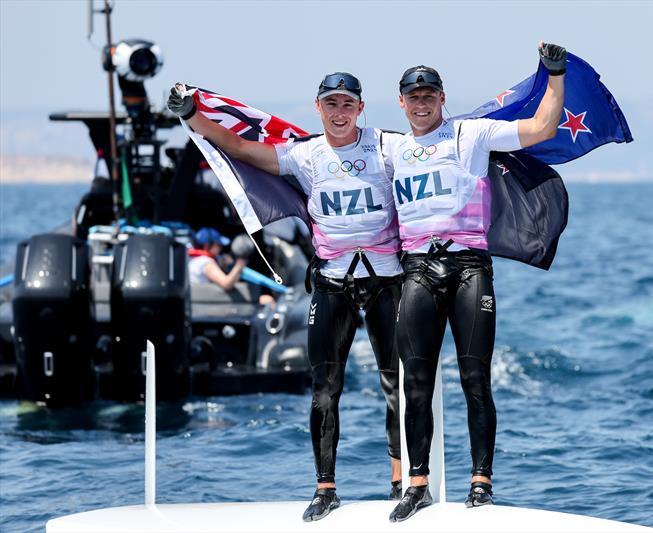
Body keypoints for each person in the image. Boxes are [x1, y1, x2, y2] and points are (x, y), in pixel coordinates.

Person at [168, 73, 403, 521]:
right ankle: (325, 489)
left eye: (347, 104)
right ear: (319, 108)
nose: (339, 112)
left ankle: (399, 482)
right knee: (324, 389)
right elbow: (239, 148)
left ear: (360, 107)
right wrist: (193, 116)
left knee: (395, 385)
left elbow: (433, 152)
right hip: (332, 282)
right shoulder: (305, 154)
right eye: (331, 103)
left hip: (385, 281)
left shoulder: (386, 146)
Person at [386, 42, 567, 522]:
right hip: (418, 270)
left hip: (469, 269)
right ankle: (417, 484)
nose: (421, 103)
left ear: (442, 98)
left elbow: (542, 127)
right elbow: (331, 154)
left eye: (429, 94)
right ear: (401, 102)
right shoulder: (390, 149)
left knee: (475, 380)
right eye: (413, 96)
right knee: (416, 383)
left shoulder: (473, 134)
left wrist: (555, 73)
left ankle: (481, 484)